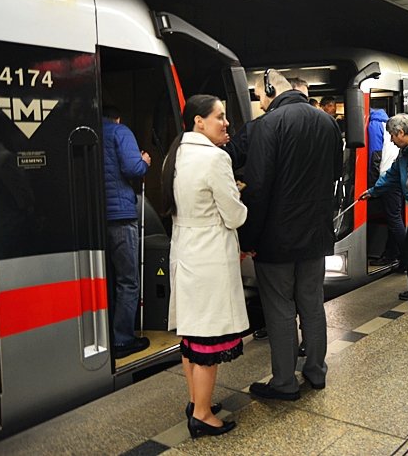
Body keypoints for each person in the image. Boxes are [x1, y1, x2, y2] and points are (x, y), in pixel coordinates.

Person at [240, 69, 342, 400]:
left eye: (259, 96)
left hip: (277, 238)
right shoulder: (327, 123)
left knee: (280, 307)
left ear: (269, 90)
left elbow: (258, 188)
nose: (260, 102)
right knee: (312, 302)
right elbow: (336, 177)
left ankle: (284, 382)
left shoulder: (267, 125)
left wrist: (249, 239)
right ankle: (316, 372)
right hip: (315, 235)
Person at [161, 94, 249, 438]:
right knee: (208, 342)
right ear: (199, 121)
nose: (225, 123)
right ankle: (201, 414)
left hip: (185, 252)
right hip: (210, 255)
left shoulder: (176, 152)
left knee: (191, 336)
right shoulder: (214, 159)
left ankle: (195, 400)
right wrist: (240, 199)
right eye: (220, 116)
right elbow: (234, 214)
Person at [360, 114, 408, 309]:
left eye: (392, 136)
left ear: (401, 133)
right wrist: (373, 191)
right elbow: (393, 175)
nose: (392, 141)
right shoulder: (404, 152)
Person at [102, 104, 151, 359]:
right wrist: (144, 162)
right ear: (117, 116)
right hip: (121, 216)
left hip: (96, 218)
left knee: (107, 279)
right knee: (128, 280)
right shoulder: (120, 132)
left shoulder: (92, 131)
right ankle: (122, 339)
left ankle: (106, 336)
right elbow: (133, 169)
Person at [367, 108, 405, 267]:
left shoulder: (374, 124)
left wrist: (374, 186)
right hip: (393, 178)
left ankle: (406, 258)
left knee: (394, 220)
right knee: (394, 219)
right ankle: (392, 254)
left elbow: (375, 155)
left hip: (386, 179)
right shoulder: (385, 123)